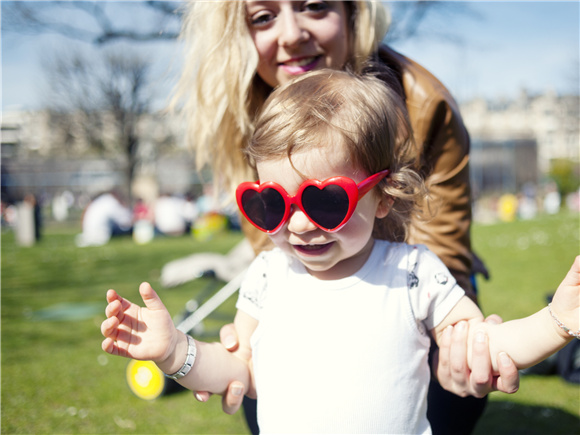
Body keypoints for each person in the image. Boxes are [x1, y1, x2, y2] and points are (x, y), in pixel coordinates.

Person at [102, 70, 580, 434]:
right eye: (271, 203)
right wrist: (175, 352)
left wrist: (557, 321)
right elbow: (238, 371)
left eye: (325, 199)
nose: (300, 223)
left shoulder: (413, 273)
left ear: (383, 195)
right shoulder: (268, 274)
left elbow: (487, 347)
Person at [170, 2, 519, 432]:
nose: (291, 34)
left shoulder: (427, 105)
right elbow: (279, 255)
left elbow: (439, 258)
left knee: (444, 399)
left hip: (404, 300)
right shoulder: (246, 112)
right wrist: (237, 344)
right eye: (263, 16)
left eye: (314, 6)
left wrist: (458, 340)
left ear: (354, 13)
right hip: (314, 282)